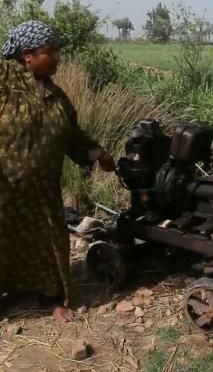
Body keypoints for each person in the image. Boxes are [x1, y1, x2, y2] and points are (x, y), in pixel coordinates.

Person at [0, 20, 116, 323]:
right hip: (4, 190)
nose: (58, 58)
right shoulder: (2, 83)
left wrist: (98, 153)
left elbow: (73, 135)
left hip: (42, 193)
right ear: (27, 55)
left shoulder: (55, 95)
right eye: (51, 51)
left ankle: (50, 298)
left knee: (49, 244)